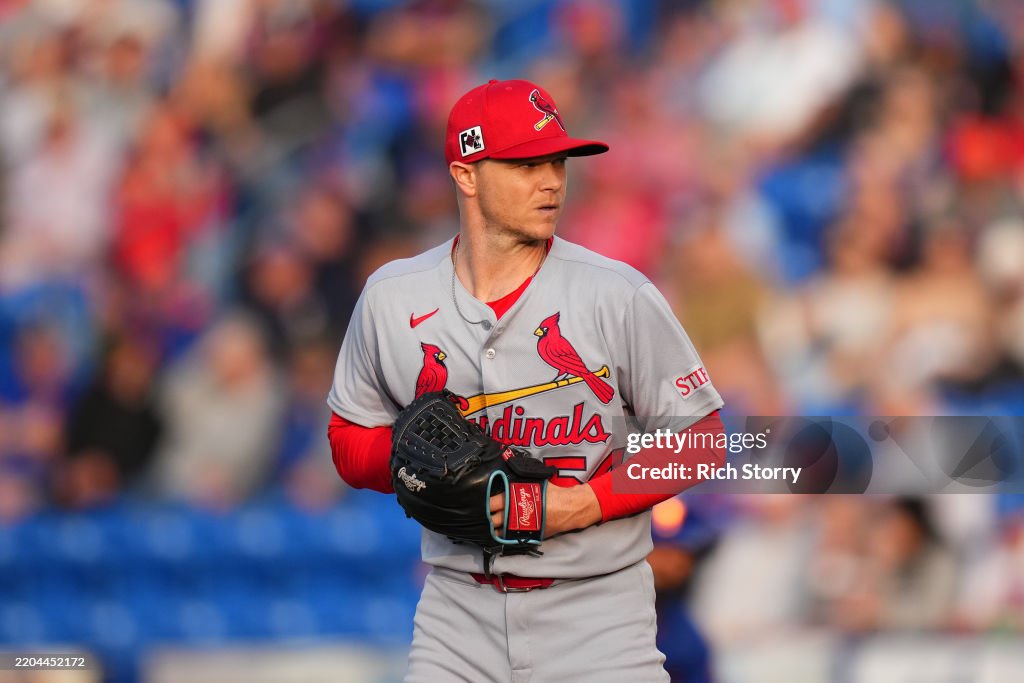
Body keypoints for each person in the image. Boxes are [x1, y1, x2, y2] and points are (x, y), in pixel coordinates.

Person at [327, 79, 726, 682]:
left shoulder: (615, 293)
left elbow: (704, 438)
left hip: (598, 616)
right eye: (525, 164)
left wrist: (586, 502)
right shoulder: (392, 297)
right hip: (457, 615)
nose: (553, 181)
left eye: (558, 161)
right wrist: (417, 464)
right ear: (466, 174)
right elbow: (346, 438)